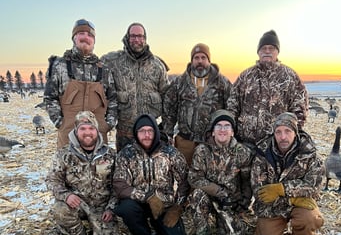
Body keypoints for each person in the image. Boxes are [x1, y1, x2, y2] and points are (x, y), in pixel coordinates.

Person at [113, 113, 189, 235]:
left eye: (150, 131)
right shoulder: (126, 154)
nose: (146, 135)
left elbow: (185, 181)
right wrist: (147, 197)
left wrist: (177, 207)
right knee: (126, 208)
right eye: (142, 131)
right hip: (138, 204)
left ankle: (158, 224)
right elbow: (120, 185)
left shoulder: (171, 153)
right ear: (136, 133)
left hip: (164, 205)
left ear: (156, 132)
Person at [46, 111, 121, 235]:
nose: (87, 133)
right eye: (83, 129)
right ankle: (77, 234)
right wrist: (66, 195)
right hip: (77, 205)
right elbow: (52, 181)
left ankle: (96, 231)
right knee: (60, 209)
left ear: (97, 131)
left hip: (101, 208)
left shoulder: (110, 155)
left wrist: (111, 208)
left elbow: (118, 185)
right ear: (76, 130)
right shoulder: (64, 154)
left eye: (91, 128)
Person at [251, 112, 324, 235]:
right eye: (278, 132)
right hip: (272, 209)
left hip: (299, 206)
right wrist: (292, 199)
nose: (283, 137)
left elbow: (314, 187)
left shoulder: (309, 153)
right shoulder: (262, 153)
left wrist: (283, 190)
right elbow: (259, 192)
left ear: (295, 133)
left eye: (287, 131)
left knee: (310, 218)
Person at [227, 30, 308, 149]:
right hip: (245, 145)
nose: (267, 51)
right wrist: (232, 135)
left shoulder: (290, 77)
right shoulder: (245, 76)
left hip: (276, 147)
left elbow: (300, 112)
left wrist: (289, 139)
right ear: (258, 52)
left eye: (271, 48)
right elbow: (232, 106)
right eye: (263, 48)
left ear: (277, 52)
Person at [44, 19, 117, 148]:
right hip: (68, 133)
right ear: (74, 37)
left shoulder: (104, 69)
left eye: (90, 35)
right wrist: (61, 123)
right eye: (81, 33)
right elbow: (50, 98)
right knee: (68, 166)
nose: (86, 37)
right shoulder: (59, 66)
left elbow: (113, 99)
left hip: (98, 133)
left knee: (99, 167)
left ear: (94, 40)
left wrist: (108, 124)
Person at [101, 22, 169, 151]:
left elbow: (168, 99)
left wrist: (164, 128)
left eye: (140, 36)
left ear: (145, 38)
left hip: (149, 136)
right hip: (124, 135)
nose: (136, 39)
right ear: (127, 38)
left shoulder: (157, 66)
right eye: (133, 36)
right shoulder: (113, 62)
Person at [188, 110, 253, 235]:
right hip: (209, 198)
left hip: (231, 203)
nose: (222, 130)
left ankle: (223, 225)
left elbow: (247, 180)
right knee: (197, 195)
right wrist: (219, 192)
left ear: (233, 132)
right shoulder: (202, 150)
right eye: (218, 126)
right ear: (212, 131)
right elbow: (194, 178)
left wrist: (243, 202)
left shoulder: (243, 152)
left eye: (227, 126)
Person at [162, 43, 232, 166]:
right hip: (185, 141)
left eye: (203, 58)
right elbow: (169, 109)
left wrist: (227, 136)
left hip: (211, 143)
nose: (200, 61)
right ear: (192, 60)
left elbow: (231, 110)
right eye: (196, 58)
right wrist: (168, 135)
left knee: (208, 178)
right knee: (184, 179)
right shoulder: (179, 82)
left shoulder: (222, 83)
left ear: (209, 60)